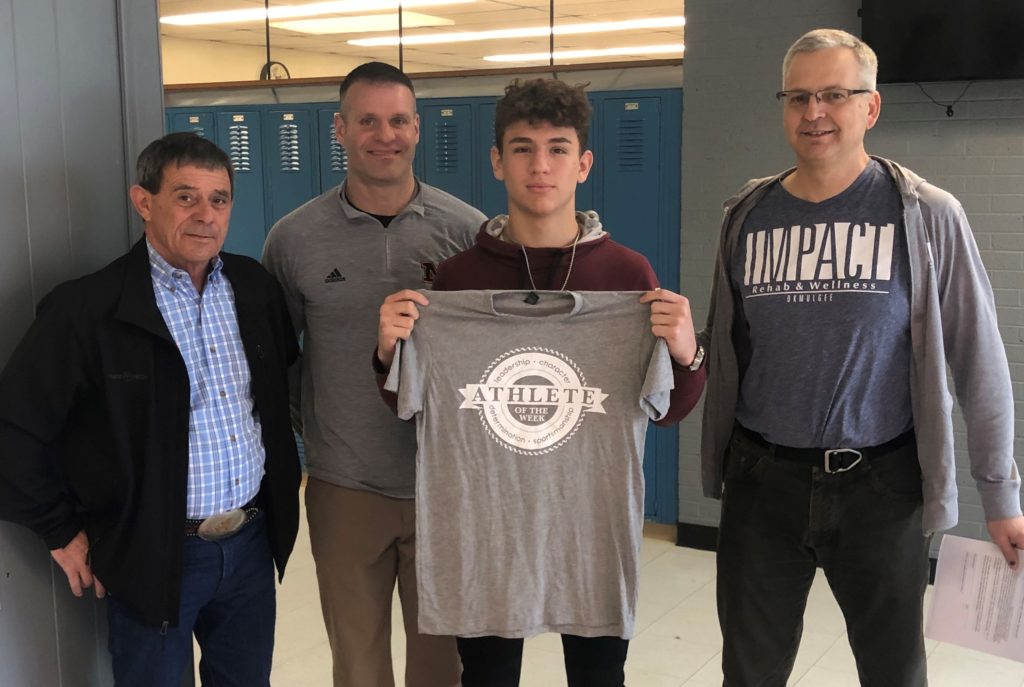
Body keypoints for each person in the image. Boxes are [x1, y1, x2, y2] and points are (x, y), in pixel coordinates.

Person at [698, 28, 1024, 686]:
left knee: (894, 672)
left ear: (870, 107)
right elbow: (730, 351)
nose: (813, 112)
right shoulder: (747, 215)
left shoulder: (928, 214)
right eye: (797, 97)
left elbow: (979, 360)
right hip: (764, 485)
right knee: (748, 672)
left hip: (882, 486)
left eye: (834, 95)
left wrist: (1001, 493)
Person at [375, 77, 707, 687]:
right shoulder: (456, 280)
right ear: (498, 161)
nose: (540, 166)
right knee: (488, 678)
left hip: (590, 533)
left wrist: (688, 353)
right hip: (487, 534)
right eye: (523, 148)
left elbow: (668, 410)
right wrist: (389, 350)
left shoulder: (627, 275)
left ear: (583, 164)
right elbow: (411, 402)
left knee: (599, 678)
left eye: (557, 149)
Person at [0, 132, 302, 686]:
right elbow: (14, 428)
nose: (206, 215)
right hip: (153, 555)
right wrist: (58, 529)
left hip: (250, 545)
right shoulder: (88, 309)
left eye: (219, 199)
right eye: (186, 197)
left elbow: (278, 392)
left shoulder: (254, 289)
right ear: (144, 202)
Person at [261, 61, 484, 687]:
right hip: (344, 486)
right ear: (339, 129)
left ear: (417, 128)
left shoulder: (467, 233)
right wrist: (320, 425)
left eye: (397, 121)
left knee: (443, 668)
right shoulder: (294, 238)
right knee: (357, 667)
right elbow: (279, 358)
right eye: (367, 121)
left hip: (444, 485)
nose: (384, 135)